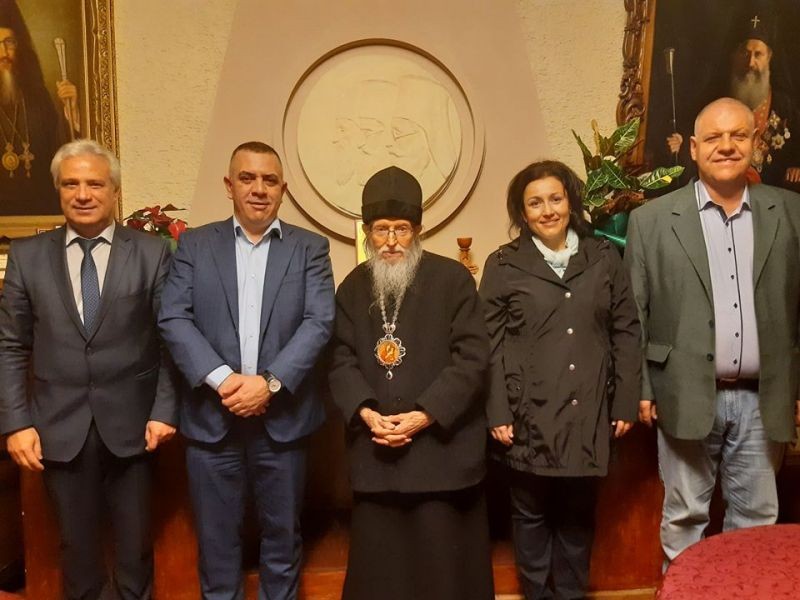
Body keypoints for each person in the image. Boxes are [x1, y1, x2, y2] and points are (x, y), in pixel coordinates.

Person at [0, 139, 178, 600]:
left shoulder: (152, 253)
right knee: (76, 553)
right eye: (71, 184)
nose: (83, 194)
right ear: (58, 190)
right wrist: (16, 423)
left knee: (135, 553)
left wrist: (164, 410)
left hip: (135, 427)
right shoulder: (27, 256)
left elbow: (171, 339)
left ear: (115, 191)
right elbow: (11, 345)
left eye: (95, 184)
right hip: (58, 428)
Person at [158, 141, 335, 599]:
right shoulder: (195, 245)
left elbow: (319, 322)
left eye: (269, 180)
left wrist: (268, 384)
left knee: (282, 542)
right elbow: (173, 317)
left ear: (283, 190)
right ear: (229, 185)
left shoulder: (310, 249)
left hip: (284, 423)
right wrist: (223, 380)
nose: (259, 189)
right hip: (211, 421)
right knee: (216, 546)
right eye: (247, 178)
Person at [627, 97, 800, 564]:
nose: (726, 146)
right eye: (714, 138)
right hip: (681, 392)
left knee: (757, 520)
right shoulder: (651, 220)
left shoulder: (791, 212)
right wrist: (643, 388)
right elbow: (636, 314)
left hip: (764, 399)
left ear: (755, 143)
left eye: (738, 135)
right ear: (694, 148)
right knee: (684, 517)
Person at [328, 166, 494, 600]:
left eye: (401, 229)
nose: (391, 241)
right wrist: (366, 412)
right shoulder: (353, 288)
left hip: (441, 456)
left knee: (443, 579)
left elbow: (473, 357)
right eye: (380, 229)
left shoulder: (452, 280)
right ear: (367, 233)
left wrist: (425, 414)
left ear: (417, 230)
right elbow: (339, 358)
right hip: (377, 455)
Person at [480, 160, 640, 599]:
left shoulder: (603, 257)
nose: (547, 210)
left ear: (571, 201)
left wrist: (626, 400)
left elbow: (626, 330)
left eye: (555, 198)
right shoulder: (503, 264)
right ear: (522, 212)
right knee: (529, 516)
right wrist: (496, 411)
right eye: (535, 203)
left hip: (589, 410)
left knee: (577, 516)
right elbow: (487, 345)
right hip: (525, 415)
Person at [666, 12, 800, 188]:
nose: (750, 63)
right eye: (745, 53)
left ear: (769, 57)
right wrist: (681, 147)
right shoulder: (713, 101)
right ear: (733, 56)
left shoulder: (787, 107)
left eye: (758, 55)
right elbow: (694, 146)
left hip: (774, 197)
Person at [0, 0, 80, 214]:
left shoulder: (37, 97)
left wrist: (70, 113)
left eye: (9, 42)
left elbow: (63, 154)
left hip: (39, 208)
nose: (3, 52)